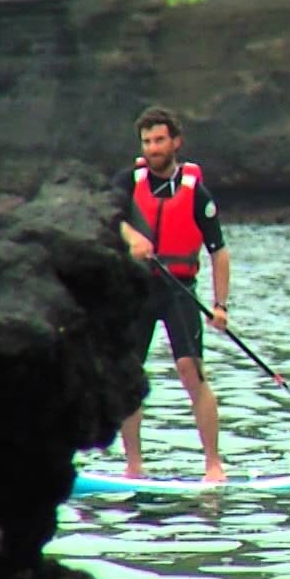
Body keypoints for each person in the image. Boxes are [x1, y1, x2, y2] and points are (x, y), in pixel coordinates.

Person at [110, 105, 231, 480]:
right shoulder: (128, 182)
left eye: (159, 140)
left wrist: (220, 306)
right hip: (137, 289)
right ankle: (134, 466)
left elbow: (219, 252)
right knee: (129, 375)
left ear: (176, 142)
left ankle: (213, 465)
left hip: (178, 290)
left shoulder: (197, 194)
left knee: (190, 370)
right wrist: (132, 236)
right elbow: (107, 215)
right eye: (147, 141)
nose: (153, 148)